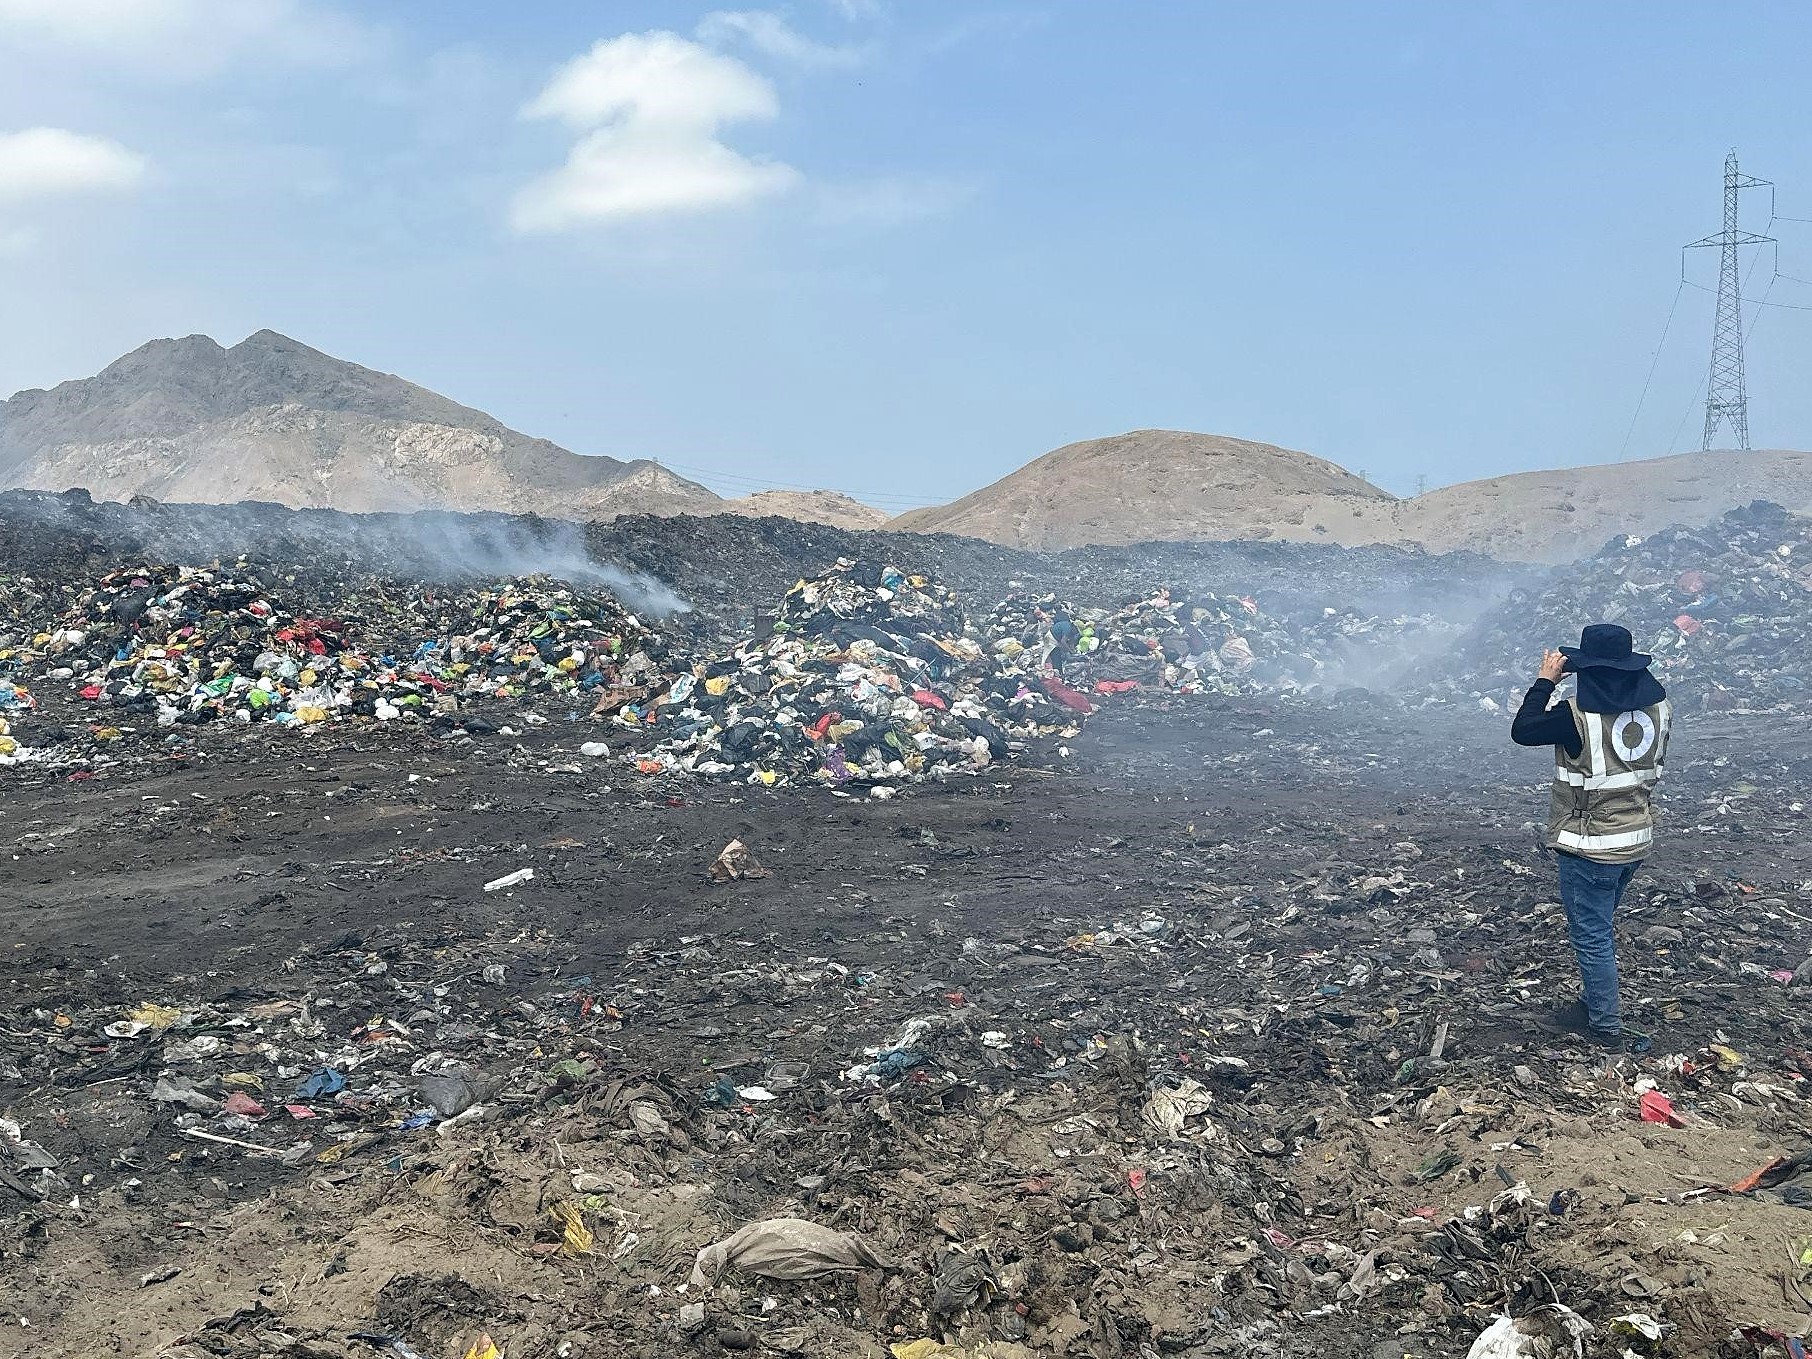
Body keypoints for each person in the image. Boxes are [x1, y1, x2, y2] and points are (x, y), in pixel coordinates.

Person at [1511, 623, 1672, 1049]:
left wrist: (1545, 681)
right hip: (1635, 839)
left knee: (1591, 936)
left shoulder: (1575, 717)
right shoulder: (1660, 709)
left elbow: (1523, 729)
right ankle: (1591, 1005)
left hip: (1592, 847)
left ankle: (1605, 1029)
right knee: (1597, 927)